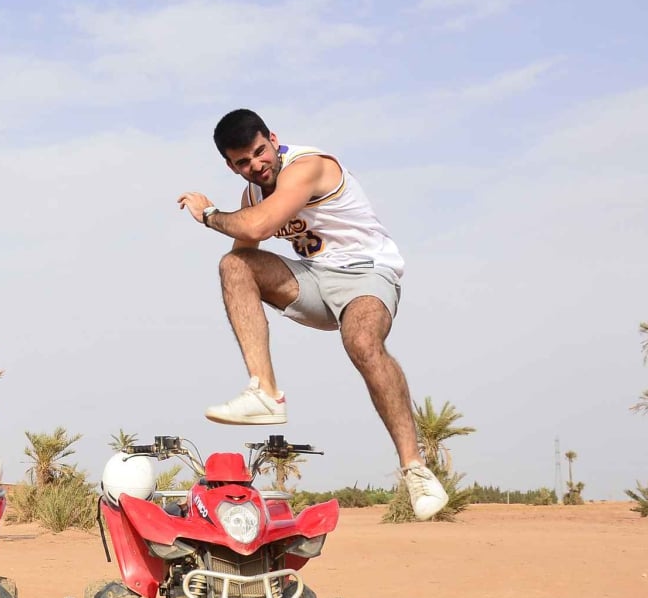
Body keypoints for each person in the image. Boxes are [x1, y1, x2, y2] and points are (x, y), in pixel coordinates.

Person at [176, 109, 447, 521]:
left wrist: (209, 215)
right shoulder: (252, 196)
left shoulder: (308, 165)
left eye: (259, 152)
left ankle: (415, 470)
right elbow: (245, 252)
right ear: (230, 166)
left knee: (361, 342)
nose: (256, 165)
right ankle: (264, 392)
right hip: (315, 282)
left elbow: (260, 226)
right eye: (243, 162)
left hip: (366, 276)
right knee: (233, 266)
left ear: (273, 139)